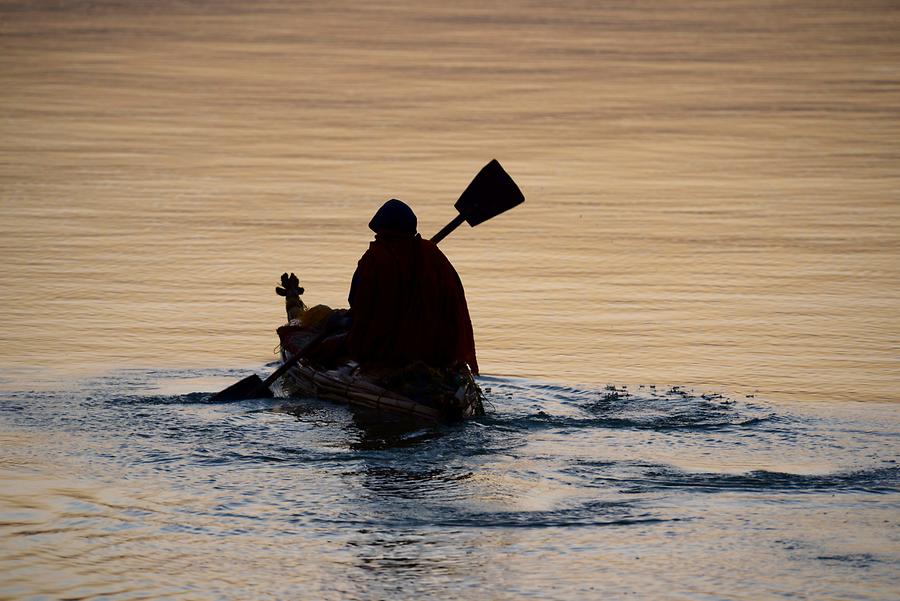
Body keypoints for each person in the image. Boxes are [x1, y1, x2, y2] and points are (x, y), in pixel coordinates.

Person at [346, 198, 478, 374]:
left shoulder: (375, 259)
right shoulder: (431, 255)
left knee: (330, 348)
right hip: (436, 352)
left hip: (387, 353)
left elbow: (358, 305)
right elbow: (453, 304)